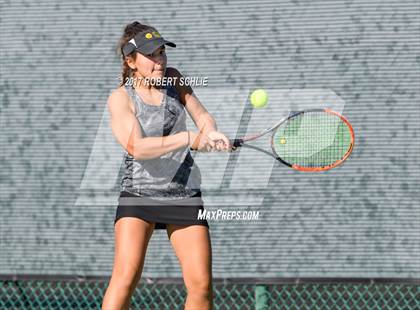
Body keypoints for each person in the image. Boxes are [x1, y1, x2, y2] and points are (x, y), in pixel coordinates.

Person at [102, 21, 231, 310]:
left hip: (183, 194)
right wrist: (188, 138)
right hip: (139, 195)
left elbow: (203, 116)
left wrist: (209, 133)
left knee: (201, 285)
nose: (159, 61)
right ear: (131, 61)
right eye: (151, 55)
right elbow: (137, 147)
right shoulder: (120, 98)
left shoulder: (174, 79)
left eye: (162, 52)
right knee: (125, 280)